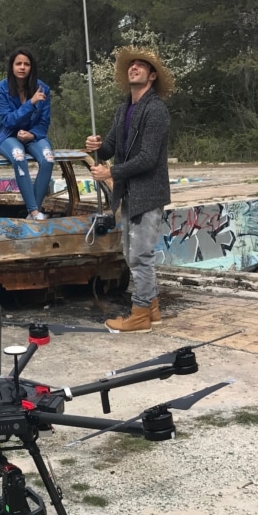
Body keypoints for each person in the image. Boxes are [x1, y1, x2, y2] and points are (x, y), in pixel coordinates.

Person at [86, 46, 174, 333]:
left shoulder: (156, 110)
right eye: (131, 65)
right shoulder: (124, 109)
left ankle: (139, 316)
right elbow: (112, 147)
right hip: (129, 194)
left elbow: (148, 158)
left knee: (140, 256)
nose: (133, 68)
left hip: (147, 194)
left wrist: (111, 171)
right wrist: (97, 147)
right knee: (131, 254)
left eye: (140, 65)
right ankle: (152, 310)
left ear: (152, 75)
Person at [0, 47, 55, 221]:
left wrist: (33, 135)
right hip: (8, 136)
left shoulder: (44, 89)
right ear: (12, 66)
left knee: (48, 158)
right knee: (19, 157)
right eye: (18, 63)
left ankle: (32, 213)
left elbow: (44, 121)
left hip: (33, 135)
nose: (22, 67)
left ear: (31, 67)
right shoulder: (1, 88)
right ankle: (35, 212)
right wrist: (31, 103)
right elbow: (8, 121)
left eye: (26, 64)